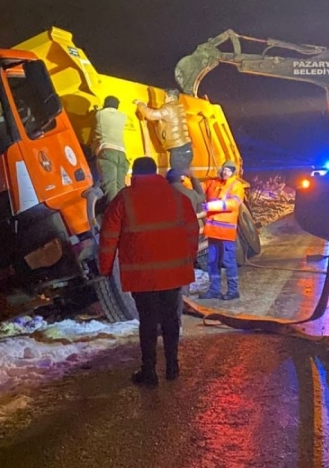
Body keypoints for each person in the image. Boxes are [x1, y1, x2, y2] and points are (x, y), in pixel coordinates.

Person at [99, 157, 199, 386]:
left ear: (134, 174)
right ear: (156, 173)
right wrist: (188, 259)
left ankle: (149, 371)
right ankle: (173, 366)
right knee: (172, 319)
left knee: (148, 322)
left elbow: (108, 237)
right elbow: (192, 229)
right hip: (173, 274)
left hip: (142, 276)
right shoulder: (177, 197)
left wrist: (105, 269)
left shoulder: (124, 199)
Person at [199, 160, 245, 301]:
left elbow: (233, 204)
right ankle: (215, 290)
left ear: (233, 172)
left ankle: (233, 290)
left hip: (226, 233)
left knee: (228, 261)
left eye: (229, 170)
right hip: (213, 231)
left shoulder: (236, 186)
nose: (226, 172)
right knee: (212, 262)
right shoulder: (214, 183)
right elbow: (198, 187)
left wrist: (209, 206)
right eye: (224, 169)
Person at [134, 89, 193, 173]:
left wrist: (140, 104)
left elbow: (151, 115)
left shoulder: (169, 107)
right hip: (186, 148)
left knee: (176, 179)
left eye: (165, 97)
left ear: (170, 98)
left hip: (178, 151)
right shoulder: (179, 107)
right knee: (183, 177)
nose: (164, 100)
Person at [92, 96, 129, 204]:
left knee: (110, 186)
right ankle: (123, 212)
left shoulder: (100, 114)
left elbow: (97, 115)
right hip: (122, 153)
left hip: (107, 151)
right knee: (120, 186)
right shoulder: (123, 116)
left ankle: (113, 213)